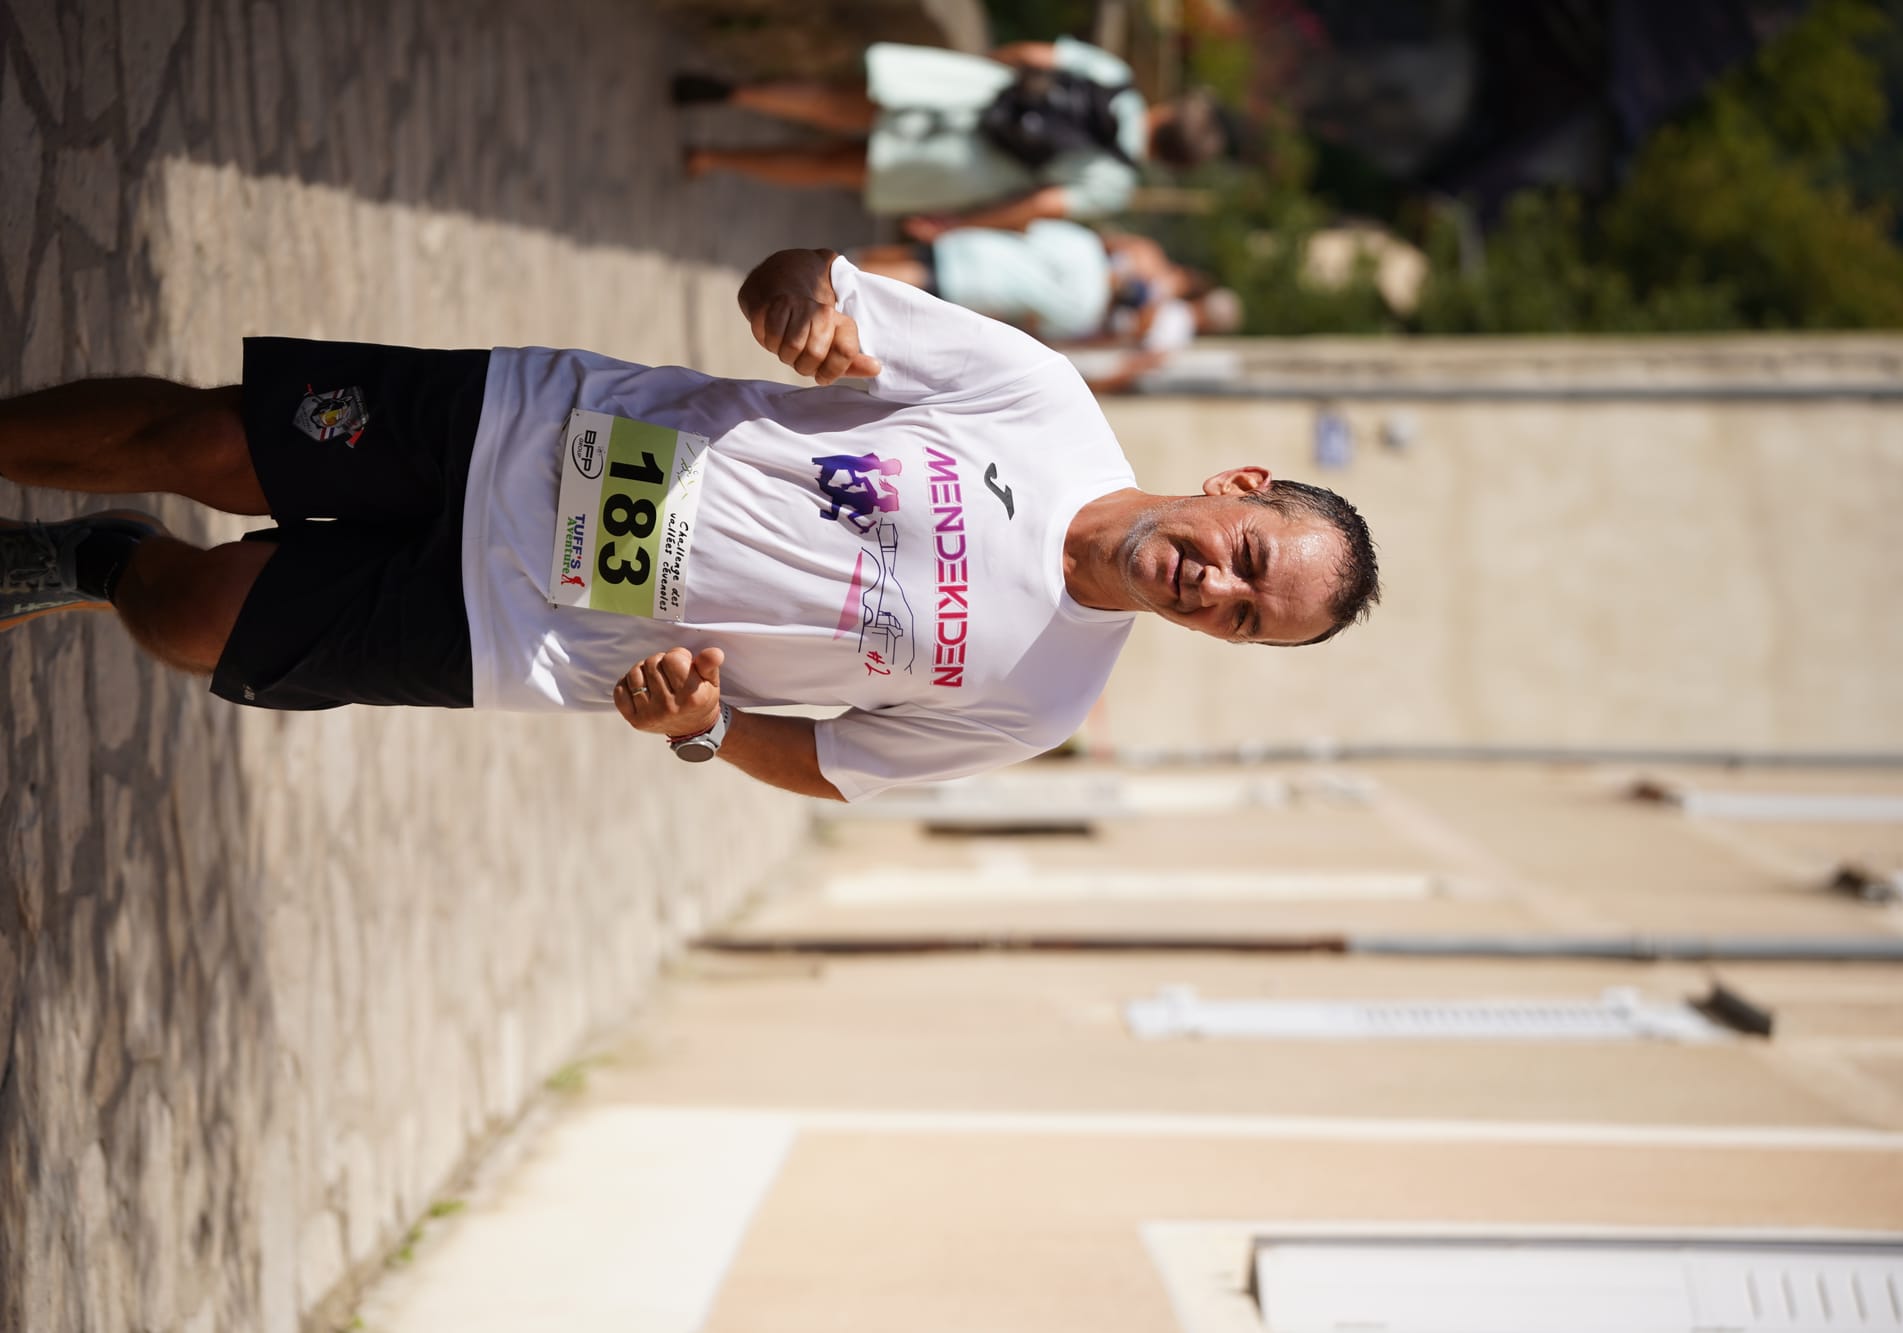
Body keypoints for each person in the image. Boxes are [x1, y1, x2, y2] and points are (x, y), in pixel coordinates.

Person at [0, 249, 1379, 802]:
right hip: (529, 429)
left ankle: (101, 558)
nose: (1214, 588)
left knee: (194, 617)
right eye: (1247, 560)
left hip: (523, 635)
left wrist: (705, 729)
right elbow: (809, 280)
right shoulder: (1042, 400)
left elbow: (833, 763)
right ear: (1239, 486)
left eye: (1243, 620)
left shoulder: (1043, 699)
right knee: (204, 444)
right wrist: (798, 307)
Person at [677, 39, 1229, 233]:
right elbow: (1041, 203)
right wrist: (959, 223)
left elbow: (1033, 55)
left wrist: (980, 66)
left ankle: (738, 93)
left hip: (973, 93)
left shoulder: (1117, 78)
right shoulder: (1117, 185)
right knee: (832, 165)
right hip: (969, 168)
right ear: (1171, 161)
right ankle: (714, 158)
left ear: (1169, 112)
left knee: (834, 101)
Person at [849, 221, 1243, 391]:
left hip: (986, 251)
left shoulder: (1100, 251)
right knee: (908, 280)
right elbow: (1042, 329)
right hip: (985, 291)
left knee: (907, 259)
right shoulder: (1093, 312)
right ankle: (840, 280)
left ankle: (839, 264)